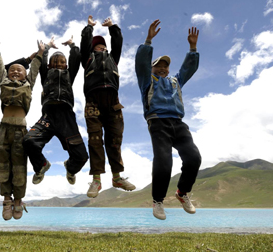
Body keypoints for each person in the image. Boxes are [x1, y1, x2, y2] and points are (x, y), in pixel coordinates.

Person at [134, 19, 202, 220]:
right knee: (164, 162)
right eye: (158, 65)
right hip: (158, 122)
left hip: (178, 123)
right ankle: (158, 202)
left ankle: (182, 193)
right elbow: (141, 64)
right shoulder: (147, 81)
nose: (162, 68)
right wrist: (148, 41)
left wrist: (192, 47)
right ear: (152, 69)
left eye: (165, 66)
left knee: (194, 158)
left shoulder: (175, 81)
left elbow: (189, 68)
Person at [80, 15, 135, 198]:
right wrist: (89, 28)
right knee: (95, 140)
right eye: (97, 45)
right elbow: (85, 42)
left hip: (113, 102)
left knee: (115, 139)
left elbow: (118, 41)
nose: (100, 47)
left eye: (103, 45)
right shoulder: (87, 60)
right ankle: (96, 180)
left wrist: (112, 27)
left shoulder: (113, 58)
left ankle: (117, 177)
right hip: (93, 102)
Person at [22, 36, 88, 187]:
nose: (58, 64)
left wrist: (72, 45)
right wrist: (48, 47)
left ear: (66, 65)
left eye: (62, 62)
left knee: (82, 156)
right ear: (50, 65)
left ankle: (70, 168)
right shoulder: (46, 74)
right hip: (48, 116)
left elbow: (76, 58)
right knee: (28, 141)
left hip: (66, 117)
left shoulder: (69, 75)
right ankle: (42, 166)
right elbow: (43, 59)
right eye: (55, 62)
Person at [0, 37, 44, 221]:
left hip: (21, 130)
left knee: (20, 166)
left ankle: (18, 201)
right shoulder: (3, 82)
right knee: (4, 165)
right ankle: (7, 200)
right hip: (4, 129)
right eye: (12, 69)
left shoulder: (29, 84)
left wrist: (41, 53)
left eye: (19, 70)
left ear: (24, 74)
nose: (15, 71)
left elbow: (35, 70)